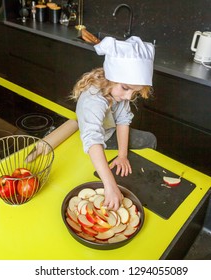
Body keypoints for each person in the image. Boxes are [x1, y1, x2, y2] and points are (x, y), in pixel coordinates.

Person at [70, 36, 156, 211]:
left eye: (135, 92)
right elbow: (93, 139)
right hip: (100, 139)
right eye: (126, 88)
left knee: (149, 139)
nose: (129, 97)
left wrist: (122, 155)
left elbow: (123, 120)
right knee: (148, 141)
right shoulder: (93, 99)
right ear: (111, 77)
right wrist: (109, 185)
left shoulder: (117, 90)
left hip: (109, 132)